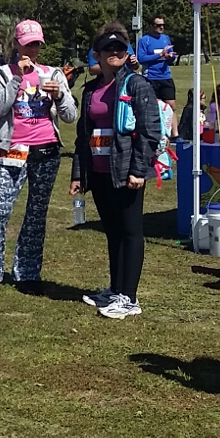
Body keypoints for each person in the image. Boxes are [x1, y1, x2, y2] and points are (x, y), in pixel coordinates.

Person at [0, 20, 79, 295]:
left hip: (46, 151)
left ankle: (27, 272)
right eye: (28, 44)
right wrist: (18, 77)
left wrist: (59, 95)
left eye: (37, 44)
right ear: (17, 44)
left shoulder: (52, 73)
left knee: (36, 216)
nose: (33, 49)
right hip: (13, 151)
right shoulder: (3, 73)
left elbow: (70, 116)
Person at [70, 22, 161, 319]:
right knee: (112, 231)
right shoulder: (91, 90)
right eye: (108, 48)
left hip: (126, 170)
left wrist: (138, 170)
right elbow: (82, 136)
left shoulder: (136, 84)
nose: (115, 52)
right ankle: (116, 288)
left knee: (130, 231)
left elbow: (150, 131)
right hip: (99, 171)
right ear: (96, 54)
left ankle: (129, 297)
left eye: (120, 48)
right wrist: (78, 173)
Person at [135, 16, 179, 106]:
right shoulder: (144, 40)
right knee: (153, 107)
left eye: (163, 25)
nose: (161, 27)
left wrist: (170, 57)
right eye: (158, 25)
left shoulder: (165, 38)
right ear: (151, 26)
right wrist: (159, 55)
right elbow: (141, 58)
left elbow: (172, 56)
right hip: (150, 78)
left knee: (171, 106)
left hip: (166, 77)